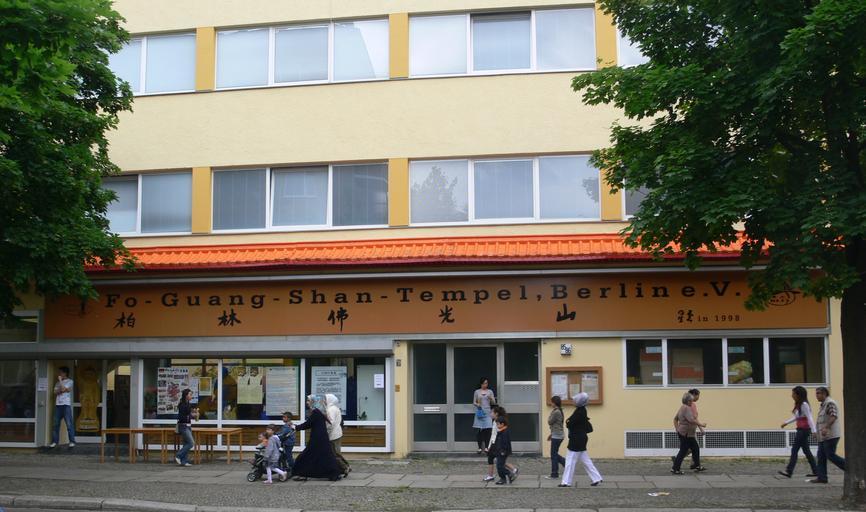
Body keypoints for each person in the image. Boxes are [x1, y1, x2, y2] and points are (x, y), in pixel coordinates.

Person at [291, 395, 342, 481]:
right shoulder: (319, 411)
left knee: (306, 455)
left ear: (313, 402)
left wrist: (296, 427)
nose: (307, 402)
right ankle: (334, 474)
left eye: (308, 400)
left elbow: (308, 424)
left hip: (317, 438)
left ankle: (302, 473)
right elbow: (311, 424)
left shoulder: (316, 412)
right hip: (321, 437)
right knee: (325, 456)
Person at [559, 392, 602, 487]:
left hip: (576, 439)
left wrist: (568, 422)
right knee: (586, 460)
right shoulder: (582, 410)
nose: (573, 401)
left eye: (575, 400)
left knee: (570, 461)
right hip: (581, 438)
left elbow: (570, 423)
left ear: (579, 402)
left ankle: (566, 482)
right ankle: (597, 478)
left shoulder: (579, 412)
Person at [779, 385, 818, 478]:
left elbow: (809, 417)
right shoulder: (799, 405)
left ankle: (789, 471)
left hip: (803, 430)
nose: (792, 395)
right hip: (801, 430)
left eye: (793, 394)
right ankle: (816, 471)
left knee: (794, 450)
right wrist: (786, 423)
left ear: (798, 395)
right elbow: (797, 417)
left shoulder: (804, 405)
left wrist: (814, 431)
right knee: (807, 451)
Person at [811, 386, 846, 483]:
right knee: (821, 456)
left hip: (831, 435)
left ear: (824, 394)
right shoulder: (823, 405)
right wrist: (817, 432)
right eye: (816, 393)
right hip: (824, 436)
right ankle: (822, 477)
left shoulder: (830, 403)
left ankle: (850, 467)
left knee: (830, 455)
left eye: (818, 393)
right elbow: (821, 421)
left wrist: (826, 427)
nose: (816, 395)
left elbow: (833, 416)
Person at [671, 392, 706, 474]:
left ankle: (697, 465)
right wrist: (702, 425)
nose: (692, 402)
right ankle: (675, 469)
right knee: (683, 451)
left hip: (687, 434)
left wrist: (677, 429)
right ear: (687, 401)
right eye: (690, 401)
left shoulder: (682, 407)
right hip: (686, 434)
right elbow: (691, 420)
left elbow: (675, 419)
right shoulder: (686, 408)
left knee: (695, 448)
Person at [482, 406, 518, 482]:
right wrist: (489, 445)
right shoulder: (496, 421)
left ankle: (508, 473)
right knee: (496, 460)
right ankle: (512, 470)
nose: (490, 413)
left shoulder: (499, 422)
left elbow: (497, 435)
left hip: (497, 444)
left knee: (499, 461)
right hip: (495, 443)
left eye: (492, 412)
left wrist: (493, 446)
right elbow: (493, 435)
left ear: (496, 413)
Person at [49, 366, 75, 449]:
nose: (59, 374)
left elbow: (63, 390)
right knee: (55, 424)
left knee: (69, 424)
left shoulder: (70, 381)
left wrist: (60, 382)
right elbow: (55, 392)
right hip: (58, 405)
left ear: (65, 373)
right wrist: (61, 389)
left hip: (66, 405)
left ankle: (72, 441)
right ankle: (54, 442)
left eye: (60, 372)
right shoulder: (57, 383)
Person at [325, 394, 350, 477]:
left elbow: (330, 423)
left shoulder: (331, 409)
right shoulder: (334, 408)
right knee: (336, 453)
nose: (324, 401)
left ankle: (345, 467)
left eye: (325, 399)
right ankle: (345, 466)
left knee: (335, 453)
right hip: (336, 433)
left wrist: (326, 430)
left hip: (333, 434)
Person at [472, 377, 496, 454]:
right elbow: (474, 402)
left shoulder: (490, 391)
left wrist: (491, 398)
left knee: (487, 430)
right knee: (479, 430)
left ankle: (486, 447)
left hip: (488, 412)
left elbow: (494, 402)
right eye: (484, 383)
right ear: (481, 384)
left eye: (486, 383)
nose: (485, 385)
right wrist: (477, 404)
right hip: (480, 411)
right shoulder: (477, 391)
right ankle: (479, 448)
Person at [174, 388, 197, 467]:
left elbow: (188, 415)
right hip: (183, 426)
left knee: (186, 443)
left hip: (188, 426)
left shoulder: (188, 404)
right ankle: (178, 455)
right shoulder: (182, 404)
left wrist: (193, 415)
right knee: (191, 443)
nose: (191, 396)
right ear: (186, 395)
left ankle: (184, 461)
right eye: (190, 394)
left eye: (191, 394)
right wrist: (191, 415)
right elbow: (182, 417)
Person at [546, 396, 567, 479]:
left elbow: (550, 421)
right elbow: (556, 425)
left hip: (557, 436)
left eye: (551, 402)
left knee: (553, 455)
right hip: (557, 435)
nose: (551, 404)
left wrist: (549, 416)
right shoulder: (558, 411)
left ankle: (554, 473)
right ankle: (565, 463)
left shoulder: (556, 412)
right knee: (554, 454)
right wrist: (551, 434)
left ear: (554, 403)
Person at [492, 416, 513, 485]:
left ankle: (508, 474)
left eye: (498, 424)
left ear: (502, 424)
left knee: (500, 466)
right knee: (499, 465)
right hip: (499, 451)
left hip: (503, 452)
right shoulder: (501, 431)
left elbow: (505, 443)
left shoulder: (505, 432)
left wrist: (503, 451)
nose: (497, 425)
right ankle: (503, 478)